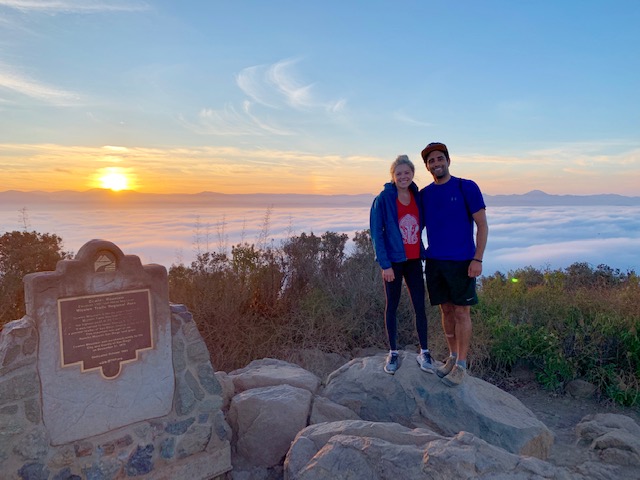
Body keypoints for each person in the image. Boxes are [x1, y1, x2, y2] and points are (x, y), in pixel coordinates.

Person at [419, 142, 488, 387]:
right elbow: (416, 226)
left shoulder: (466, 187)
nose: (436, 163)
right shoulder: (425, 194)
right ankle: (451, 356)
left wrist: (477, 259)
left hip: (462, 261)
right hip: (435, 262)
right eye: (431, 161)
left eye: (440, 158)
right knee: (446, 311)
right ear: (427, 167)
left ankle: (462, 365)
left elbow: (482, 225)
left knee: (461, 311)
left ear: (448, 160)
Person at [370, 155, 434, 375]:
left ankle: (424, 351)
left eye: (407, 173)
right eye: (399, 173)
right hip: (394, 262)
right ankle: (393, 352)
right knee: (393, 306)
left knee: (420, 306)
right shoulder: (384, 198)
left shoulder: (417, 195)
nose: (403, 176)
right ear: (393, 176)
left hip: (415, 260)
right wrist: (385, 264)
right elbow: (377, 233)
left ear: (413, 173)